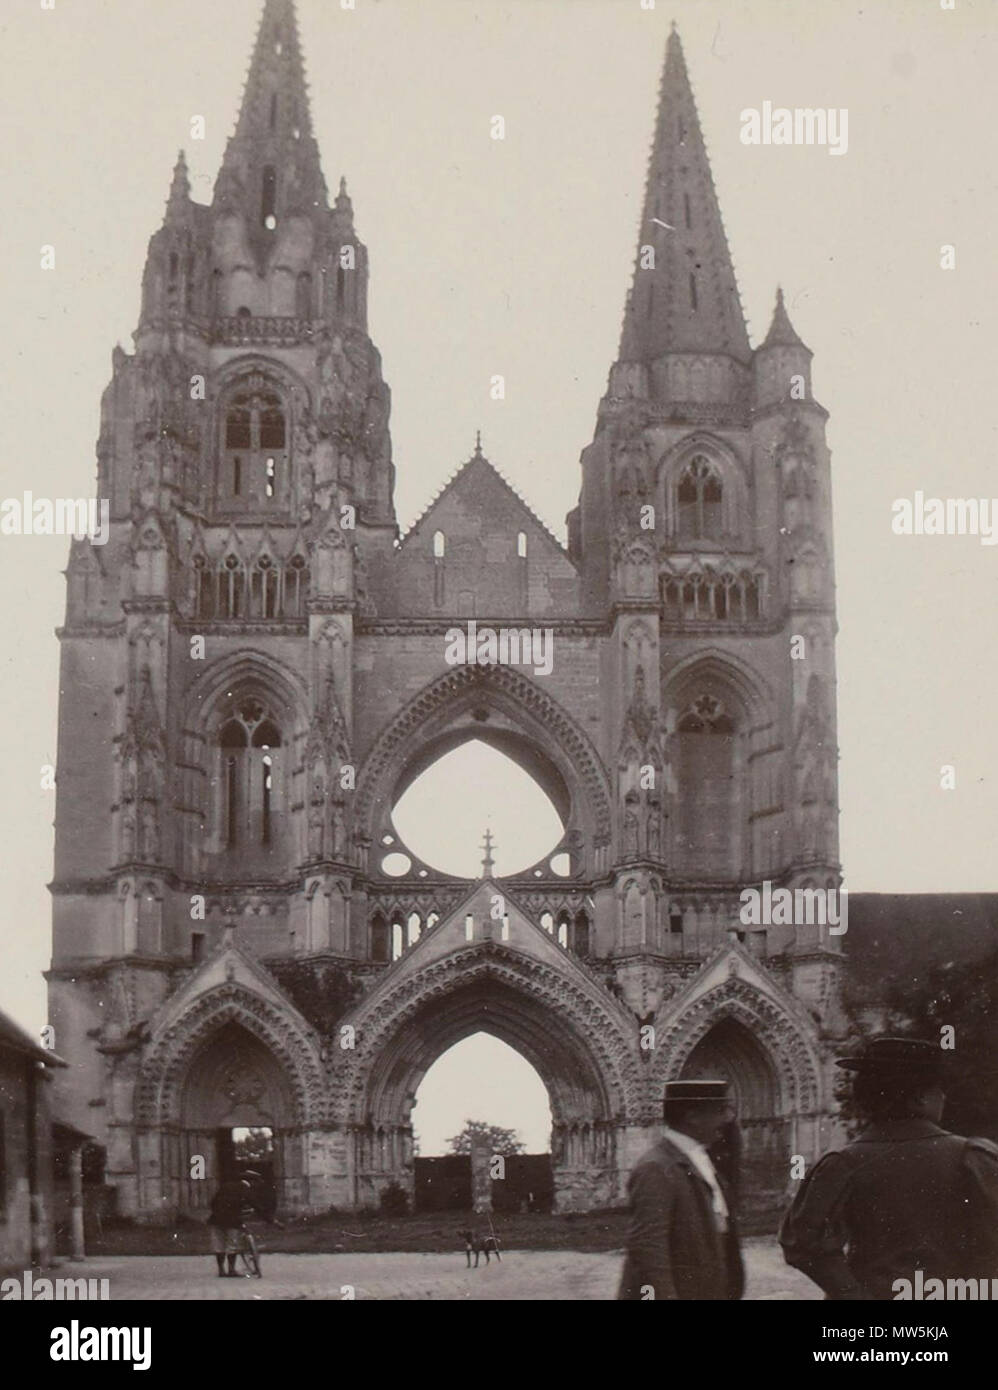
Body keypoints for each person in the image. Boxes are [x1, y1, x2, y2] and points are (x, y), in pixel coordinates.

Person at [779, 1036, 998, 1299]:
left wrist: (850, 1293)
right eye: (938, 1090)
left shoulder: (841, 1163)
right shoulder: (972, 1156)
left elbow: (801, 1243)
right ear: (919, 1098)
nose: (943, 1097)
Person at [618, 1079, 744, 1300]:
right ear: (692, 1116)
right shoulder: (657, 1167)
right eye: (720, 1110)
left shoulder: (698, 1159)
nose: (727, 1118)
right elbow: (648, 1250)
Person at [208, 1176, 256, 1278]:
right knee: (232, 1245)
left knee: (218, 1245)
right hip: (232, 1221)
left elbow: (212, 1203)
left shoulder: (225, 1187)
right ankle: (231, 1269)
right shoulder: (245, 1189)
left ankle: (221, 1270)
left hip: (216, 1219)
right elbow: (255, 1205)